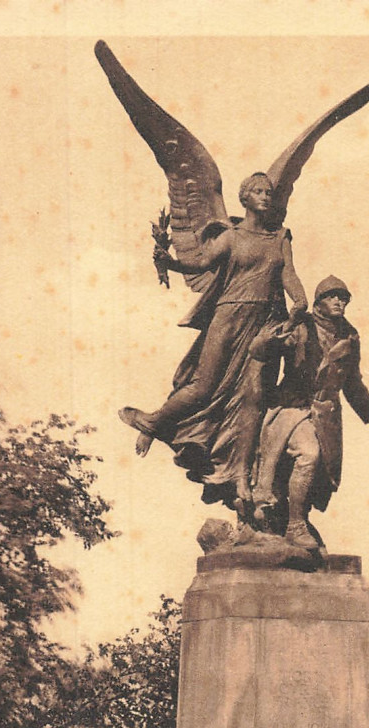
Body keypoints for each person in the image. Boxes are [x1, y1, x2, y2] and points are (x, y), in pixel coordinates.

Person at [119, 172, 307, 508]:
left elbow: (287, 273)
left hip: (265, 325)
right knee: (202, 387)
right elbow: (201, 263)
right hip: (228, 318)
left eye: (269, 192)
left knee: (254, 400)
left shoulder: (280, 237)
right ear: (245, 198)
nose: (266, 197)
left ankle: (240, 474)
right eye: (259, 192)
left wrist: (300, 299)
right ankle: (153, 422)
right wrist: (169, 262)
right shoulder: (232, 237)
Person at [252, 275, 369, 550]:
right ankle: (295, 526)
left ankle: (296, 518)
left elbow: (352, 382)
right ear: (319, 302)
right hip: (292, 408)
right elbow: (263, 351)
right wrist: (279, 339)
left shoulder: (349, 336)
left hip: (326, 416)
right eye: (333, 296)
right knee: (308, 455)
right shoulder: (301, 327)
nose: (340, 301)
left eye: (344, 298)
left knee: (319, 476)